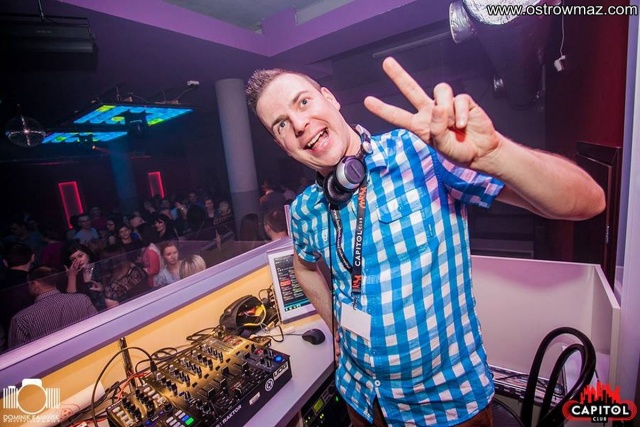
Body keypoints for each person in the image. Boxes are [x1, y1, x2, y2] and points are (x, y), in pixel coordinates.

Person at [246, 58, 605, 427]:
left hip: (446, 408)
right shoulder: (305, 209)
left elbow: (588, 202)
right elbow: (304, 267)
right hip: (361, 399)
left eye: (303, 102)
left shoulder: (420, 152)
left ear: (329, 97)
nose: (299, 124)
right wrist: (336, 328)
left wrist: (496, 155)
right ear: (281, 143)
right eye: (282, 124)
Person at [8, 266, 97, 348]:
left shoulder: (21, 319)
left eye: (28, 284)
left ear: (35, 283)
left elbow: (17, 356)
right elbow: (97, 330)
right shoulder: (82, 299)